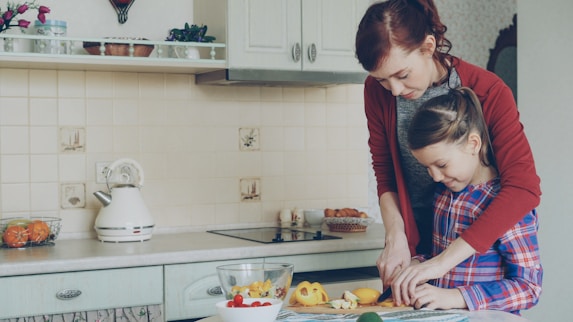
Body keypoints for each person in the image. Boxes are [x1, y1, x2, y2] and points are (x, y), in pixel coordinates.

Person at [354, 0, 541, 306]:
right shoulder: (378, 92)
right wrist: (396, 236)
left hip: (473, 258)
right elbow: (384, 170)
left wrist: (442, 262)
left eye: (402, 75)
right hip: (421, 255)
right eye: (381, 79)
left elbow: (523, 188)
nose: (394, 90)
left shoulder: (488, 90)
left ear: (428, 47)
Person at [404, 87, 542, 313]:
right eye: (426, 168)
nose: (436, 176)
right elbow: (439, 257)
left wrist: (457, 297)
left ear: (473, 144)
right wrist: (418, 264)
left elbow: (529, 287)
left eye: (441, 165)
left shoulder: (507, 205)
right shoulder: (444, 194)